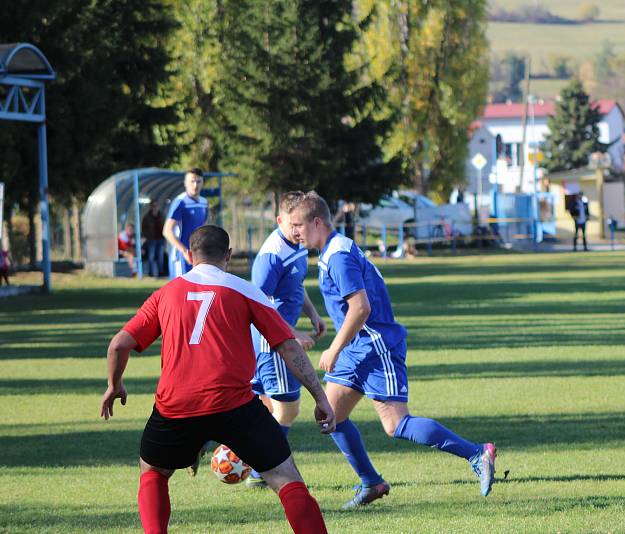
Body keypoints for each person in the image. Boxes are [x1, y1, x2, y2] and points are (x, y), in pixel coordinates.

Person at [99, 225, 334, 534]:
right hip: (234, 405)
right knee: (285, 478)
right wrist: (320, 396)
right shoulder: (245, 289)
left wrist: (114, 385)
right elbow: (288, 346)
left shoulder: (165, 294)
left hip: (175, 406)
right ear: (228, 255)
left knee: (153, 472)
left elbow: (118, 344)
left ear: (188, 255)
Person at [288, 191, 496, 509]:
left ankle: (476, 453)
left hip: (375, 346)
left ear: (317, 222)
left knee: (396, 424)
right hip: (357, 348)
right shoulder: (332, 250)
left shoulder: (339, 255)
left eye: (299, 225)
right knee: (330, 415)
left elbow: (361, 309)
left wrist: (334, 347)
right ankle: (371, 483)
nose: (295, 232)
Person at [246, 192, 327, 489]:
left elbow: (295, 285)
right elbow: (258, 303)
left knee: (264, 408)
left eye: (300, 223)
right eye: (292, 224)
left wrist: (313, 314)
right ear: (279, 220)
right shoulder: (271, 256)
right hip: (273, 342)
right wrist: (291, 334)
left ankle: (208, 445)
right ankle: (260, 473)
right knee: (288, 409)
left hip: (280, 338)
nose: (297, 229)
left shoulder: (297, 246)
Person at [163, 169, 208, 279]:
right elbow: (167, 231)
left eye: (198, 181)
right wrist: (184, 251)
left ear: (203, 183)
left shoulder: (204, 202)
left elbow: (204, 228)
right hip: (181, 257)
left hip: (198, 255)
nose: (195, 185)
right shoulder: (180, 202)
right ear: (185, 183)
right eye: (192, 181)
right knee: (179, 294)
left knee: (197, 291)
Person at [142, 200, 166, 277]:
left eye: (156, 206)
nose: (155, 207)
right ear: (151, 206)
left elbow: (166, 225)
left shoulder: (162, 215)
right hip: (151, 239)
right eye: (153, 206)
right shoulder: (147, 217)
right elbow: (144, 228)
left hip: (161, 239)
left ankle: (161, 273)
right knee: (151, 257)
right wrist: (148, 236)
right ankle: (151, 273)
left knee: (160, 257)